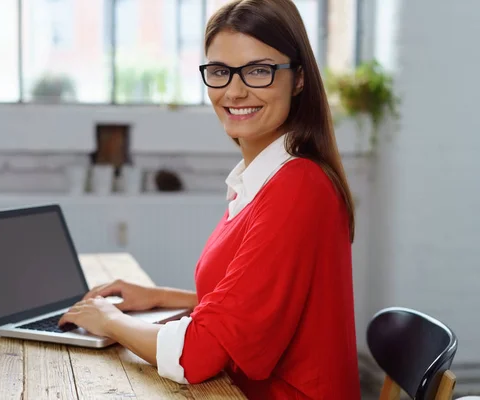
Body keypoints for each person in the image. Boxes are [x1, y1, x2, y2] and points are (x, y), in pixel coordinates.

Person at [58, 0, 361, 398]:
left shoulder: (298, 187)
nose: (234, 91)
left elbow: (198, 355)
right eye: (220, 71)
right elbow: (254, 308)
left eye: (258, 70)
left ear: (299, 79)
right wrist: (160, 298)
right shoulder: (265, 180)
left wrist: (109, 320)